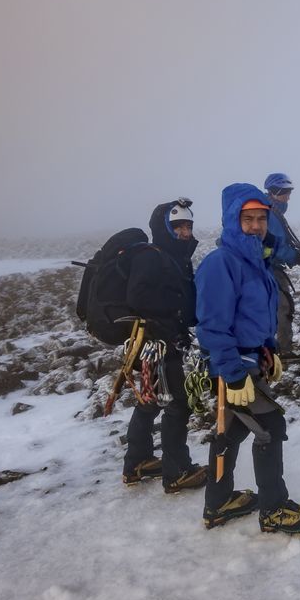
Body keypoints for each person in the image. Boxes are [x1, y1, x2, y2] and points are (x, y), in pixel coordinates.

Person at [196, 183, 300, 535]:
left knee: (232, 429)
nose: (255, 225)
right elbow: (212, 327)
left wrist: (270, 349)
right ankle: (274, 509)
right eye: (247, 219)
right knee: (270, 428)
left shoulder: (257, 261)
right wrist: (232, 374)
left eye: (260, 218)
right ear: (232, 221)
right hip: (233, 366)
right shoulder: (221, 263)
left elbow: (258, 315)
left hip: (251, 361)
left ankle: (218, 502)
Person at [121, 199, 207, 494]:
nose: (185, 232)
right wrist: (176, 311)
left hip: (157, 341)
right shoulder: (152, 256)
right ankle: (177, 471)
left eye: (188, 226)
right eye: (178, 226)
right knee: (178, 403)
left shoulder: (173, 257)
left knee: (151, 399)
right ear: (164, 228)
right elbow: (137, 297)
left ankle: (137, 462)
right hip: (157, 342)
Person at [263, 173, 300, 362]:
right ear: (276, 192)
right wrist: (297, 258)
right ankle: (283, 350)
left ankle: (270, 348)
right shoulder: (271, 214)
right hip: (268, 268)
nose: (288, 197)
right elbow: (276, 245)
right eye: (285, 192)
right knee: (283, 306)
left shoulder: (271, 211)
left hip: (267, 266)